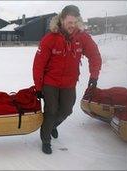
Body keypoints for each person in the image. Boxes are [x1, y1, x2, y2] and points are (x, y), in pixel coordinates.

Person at [32, 5, 102, 154]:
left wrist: (94, 76)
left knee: (66, 110)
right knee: (51, 110)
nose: (72, 25)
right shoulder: (50, 38)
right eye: (69, 22)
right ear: (62, 19)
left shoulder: (82, 37)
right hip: (50, 82)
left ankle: (52, 126)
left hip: (69, 83)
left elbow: (95, 55)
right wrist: (38, 88)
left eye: (75, 22)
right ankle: (45, 139)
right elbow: (38, 65)